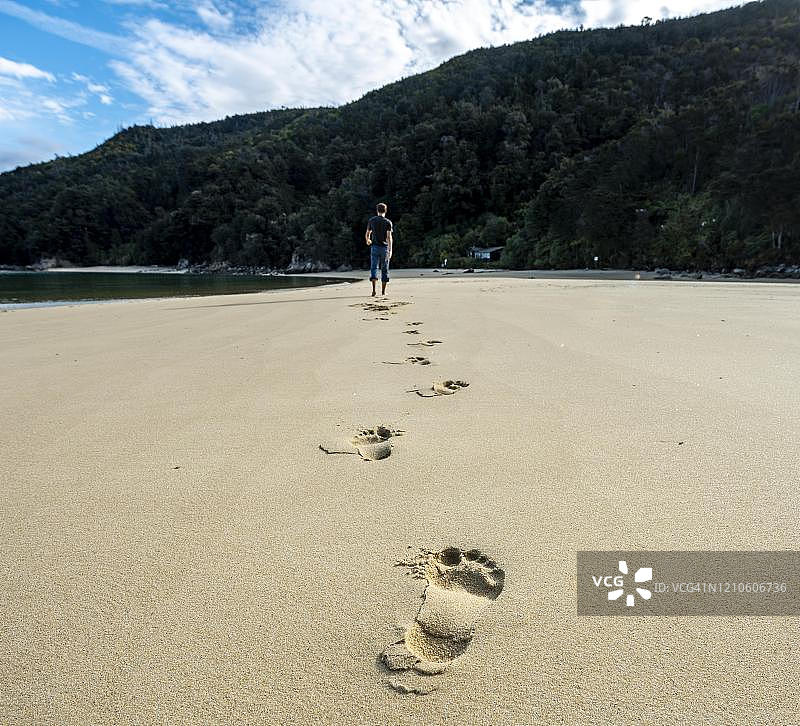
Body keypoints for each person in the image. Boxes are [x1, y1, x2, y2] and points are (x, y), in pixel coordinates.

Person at [365, 202, 393, 296]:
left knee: (374, 268)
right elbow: (389, 238)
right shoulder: (388, 222)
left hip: (374, 247)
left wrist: (368, 240)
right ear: (385, 211)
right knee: (385, 269)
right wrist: (390, 250)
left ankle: (373, 291)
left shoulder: (371, 220)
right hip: (384, 248)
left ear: (377, 210)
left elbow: (368, 233)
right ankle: (383, 292)